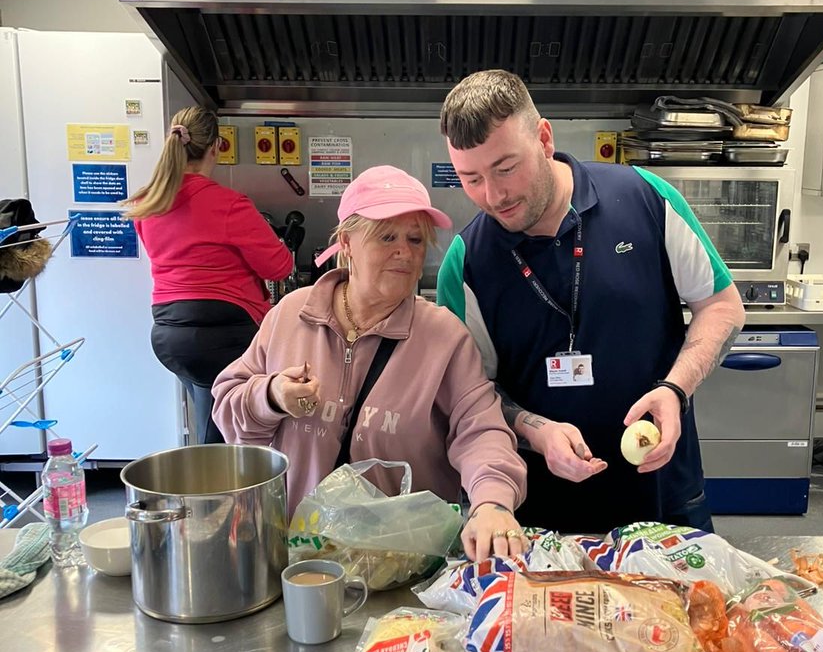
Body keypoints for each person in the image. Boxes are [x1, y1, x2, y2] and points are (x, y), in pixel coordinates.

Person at [436, 69, 746, 535]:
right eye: (471, 178)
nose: (493, 196)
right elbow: (472, 395)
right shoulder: (467, 262)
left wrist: (675, 388)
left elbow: (722, 306)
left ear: (543, 138)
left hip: (662, 493)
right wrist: (537, 431)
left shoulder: (645, 199)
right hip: (538, 515)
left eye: (505, 168)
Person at [211, 166, 528, 563]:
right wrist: (270, 395)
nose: (405, 251)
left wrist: (492, 503)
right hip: (301, 562)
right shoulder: (291, 315)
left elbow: (481, 430)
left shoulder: (444, 337)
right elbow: (228, 405)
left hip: (404, 567)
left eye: (415, 239)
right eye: (387, 237)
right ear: (346, 242)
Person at [122, 107, 293, 445]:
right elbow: (279, 267)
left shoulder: (148, 202)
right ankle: (215, 491)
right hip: (223, 335)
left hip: (168, 333)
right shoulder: (228, 204)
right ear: (217, 147)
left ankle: (211, 480)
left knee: (211, 412)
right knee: (220, 431)